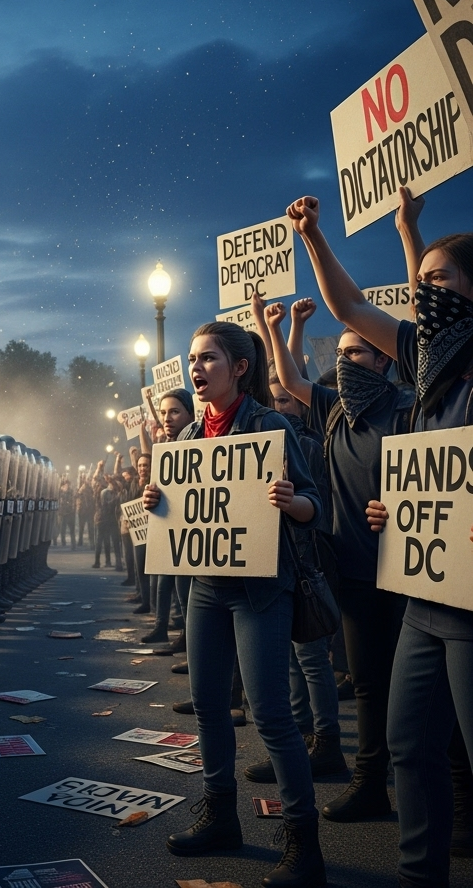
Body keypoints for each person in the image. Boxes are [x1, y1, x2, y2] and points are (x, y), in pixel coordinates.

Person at [290, 190, 473, 888]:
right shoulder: (427, 365)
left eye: (439, 281)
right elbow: (349, 309)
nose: (425, 293)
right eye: (419, 282)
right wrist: (313, 237)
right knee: (407, 746)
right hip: (426, 595)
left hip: (470, 601)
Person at [143, 321, 325, 888]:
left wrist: (292, 501)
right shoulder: (186, 439)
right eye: (193, 360)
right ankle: (221, 815)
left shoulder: (269, 426)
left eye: (209, 359)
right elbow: (182, 514)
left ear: (240, 367)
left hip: (259, 589)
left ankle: (304, 846)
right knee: (207, 705)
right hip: (205, 586)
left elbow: (316, 503)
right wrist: (158, 501)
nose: (196, 369)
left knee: (270, 713)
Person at [264, 295, 409, 818]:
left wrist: (403, 510)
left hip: (409, 571)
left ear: (385, 362)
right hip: (351, 570)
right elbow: (290, 377)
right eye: (341, 354)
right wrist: (272, 324)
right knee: (368, 684)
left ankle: (451, 796)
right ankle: (371, 784)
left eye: (357, 354)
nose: (345, 362)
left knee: (414, 687)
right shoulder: (333, 409)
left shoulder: (407, 409)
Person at [243, 349, 348, 785]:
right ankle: (304, 731)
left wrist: (292, 502)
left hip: (301, 558)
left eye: (285, 401)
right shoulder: (260, 438)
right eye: (273, 401)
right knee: (290, 658)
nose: (277, 407)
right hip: (271, 561)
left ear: (301, 403)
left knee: (310, 657)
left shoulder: (305, 443)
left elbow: (317, 506)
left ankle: (326, 741)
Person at [141, 389, 194, 647]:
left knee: (185, 591)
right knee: (163, 585)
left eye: (174, 411)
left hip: (190, 531)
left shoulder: (199, 442)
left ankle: (188, 640)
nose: (167, 418)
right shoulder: (164, 449)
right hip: (168, 528)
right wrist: (151, 496)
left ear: (190, 413)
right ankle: (162, 628)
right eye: (163, 413)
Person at [58, 477, 75, 548]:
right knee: (62, 529)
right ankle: (63, 542)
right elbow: (59, 500)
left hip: (70, 513)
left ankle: (73, 544)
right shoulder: (60, 491)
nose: (67, 485)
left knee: (72, 530)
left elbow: (73, 500)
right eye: (66, 484)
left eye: (68, 484)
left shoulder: (71, 491)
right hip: (63, 513)